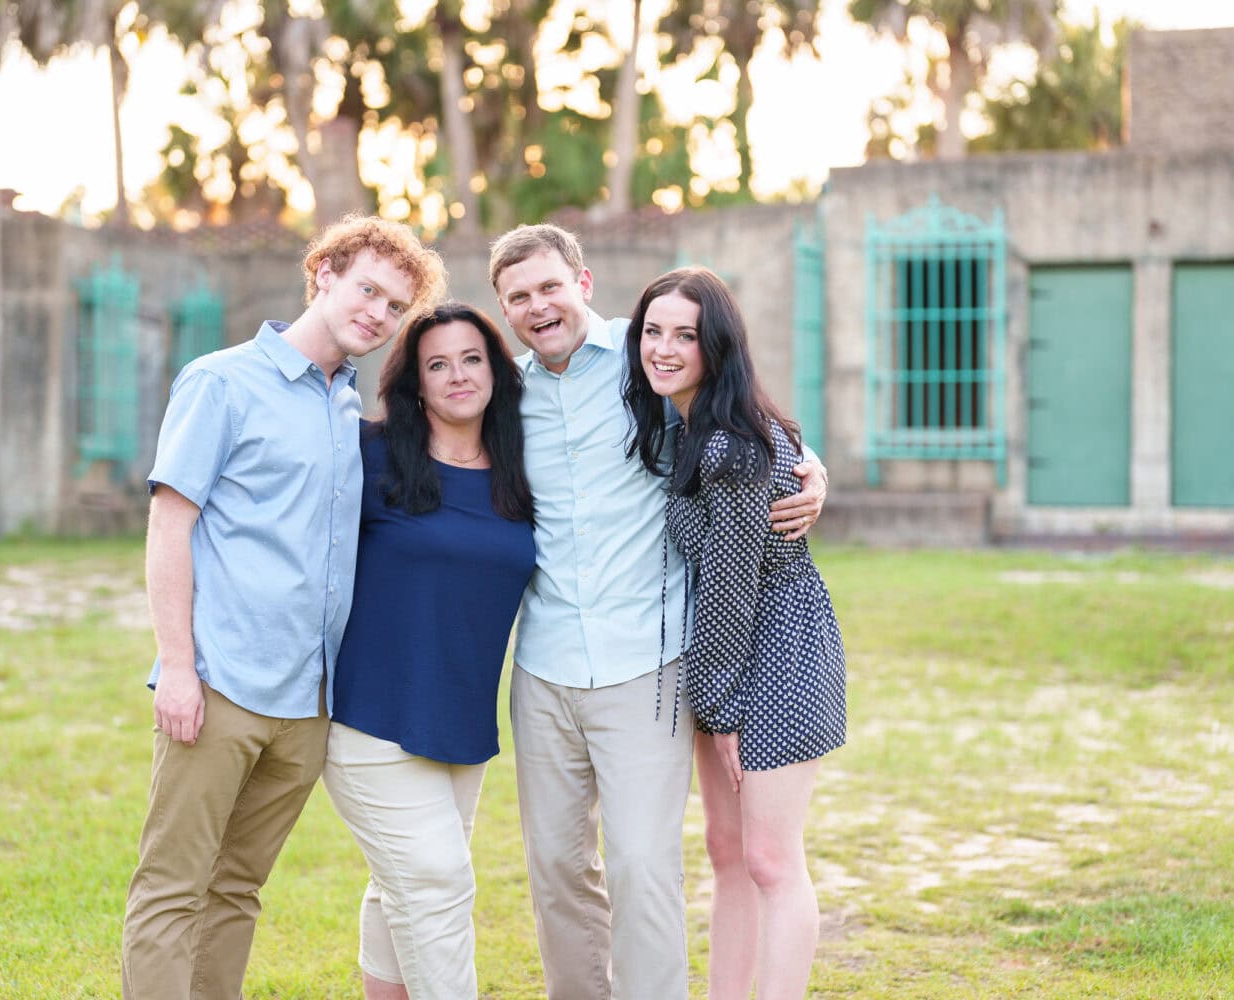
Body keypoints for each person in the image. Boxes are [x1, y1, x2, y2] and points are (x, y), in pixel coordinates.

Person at [487, 224, 829, 1000]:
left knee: (644, 865)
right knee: (556, 869)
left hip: (646, 661)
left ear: (583, 282)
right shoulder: (502, 396)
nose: (538, 307)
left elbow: (746, 424)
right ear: (503, 309)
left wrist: (811, 469)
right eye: (518, 297)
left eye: (549, 286)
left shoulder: (648, 361)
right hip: (543, 665)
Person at [120, 216, 446, 1000]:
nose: (377, 312)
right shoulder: (221, 381)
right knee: (172, 887)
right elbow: (171, 523)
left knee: (236, 889)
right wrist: (177, 668)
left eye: (395, 305)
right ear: (325, 272)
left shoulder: (346, 406)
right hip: (221, 686)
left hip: (307, 707)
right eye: (368, 288)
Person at [623, 267, 846, 1000]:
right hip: (735, 653)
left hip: (777, 650)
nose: (663, 348)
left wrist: (719, 711)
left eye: (684, 335)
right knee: (726, 851)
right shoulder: (696, 424)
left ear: (715, 346)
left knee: (773, 861)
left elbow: (729, 588)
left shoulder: (727, 446)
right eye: (652, 331)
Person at [322, 302, 537, 1000]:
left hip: (461, 722)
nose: (456, 376)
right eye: (436, 365)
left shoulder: (522, 466)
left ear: (497, 371)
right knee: (438, 883)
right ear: (415, 384)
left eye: (471, 359)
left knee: (404, 886)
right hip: (369, 716)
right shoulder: (369, 454)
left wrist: (801, 460)